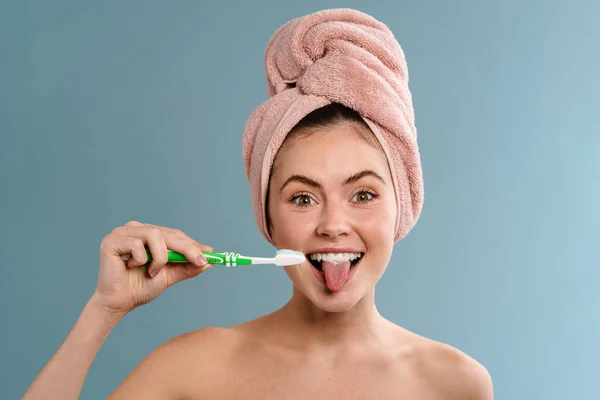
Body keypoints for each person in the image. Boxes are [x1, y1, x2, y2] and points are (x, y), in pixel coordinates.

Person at [23, 9, 493, 399]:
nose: (333, 225)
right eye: (303, 198)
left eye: (363, 194)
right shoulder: (193, 371)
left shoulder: (454, 383)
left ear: (403, 205)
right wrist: (103, 310)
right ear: (268, 219)